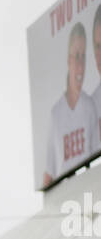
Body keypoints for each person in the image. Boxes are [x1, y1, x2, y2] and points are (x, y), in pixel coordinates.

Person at [43, 21, 99, 186]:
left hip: (90, 187)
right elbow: (49, 173)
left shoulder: (90, 106)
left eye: (84, 57)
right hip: (66, 195)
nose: (80, 65)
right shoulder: (55, 114)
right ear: (68, 60)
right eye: (76, 56)